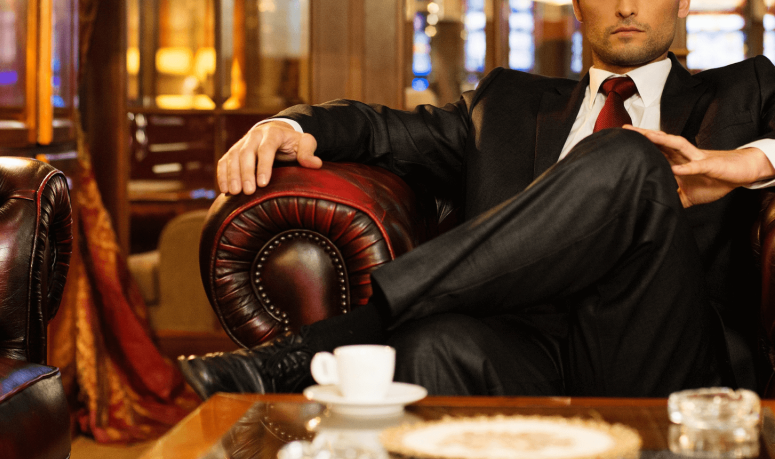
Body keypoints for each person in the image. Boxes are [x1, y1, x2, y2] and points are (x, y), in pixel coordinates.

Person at [180, 0, 775, 399]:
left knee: (629, 156)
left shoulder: (745, 91)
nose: (624, 5)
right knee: (429, 348)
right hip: (524, 346)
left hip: (665, 344)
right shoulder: (507, 104)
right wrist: (283, 126)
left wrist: (749, 161)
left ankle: (326, 344)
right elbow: (380, 129)